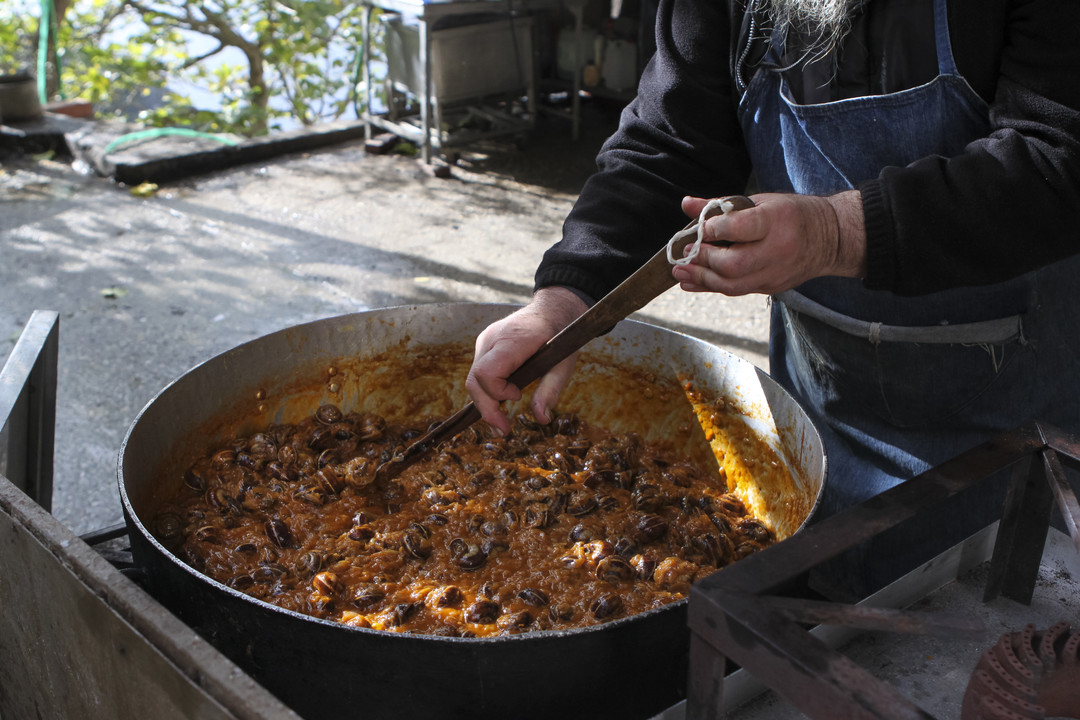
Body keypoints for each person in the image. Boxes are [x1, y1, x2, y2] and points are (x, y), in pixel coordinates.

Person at [465, 0, 1080, 596]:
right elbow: (670, 143)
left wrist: (835, 233)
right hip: (818, 414)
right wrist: (564, 302)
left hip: (1015, 440)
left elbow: (1059, 157)